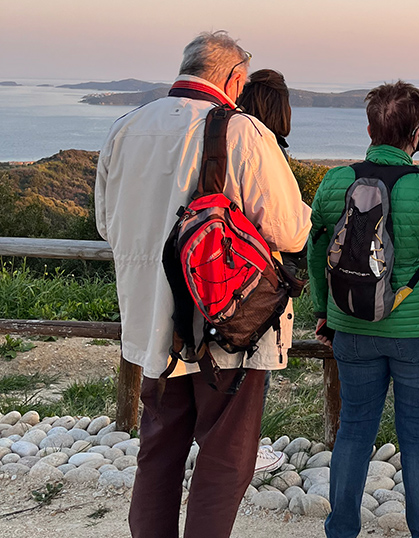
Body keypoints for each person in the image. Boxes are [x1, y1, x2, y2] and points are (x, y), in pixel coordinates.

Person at [95, 31, 311, 538]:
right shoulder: (242, 132)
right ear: (235, 77)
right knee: (224, 455)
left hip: (151, 320)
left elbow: (106, 224)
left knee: (159, 450)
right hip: (228, 322)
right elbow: (289, 229)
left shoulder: (124, 128)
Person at [307, 81, 419, 538]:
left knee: (354, 429)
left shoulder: (336, 180)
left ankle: (341, 530)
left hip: (351, 325)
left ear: (369, 127)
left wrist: (323, 309)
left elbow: (317, 254)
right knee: (417, 435)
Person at [237, 68, 295, 473]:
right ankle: (247, 450)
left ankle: (220, 444)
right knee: (255, 360)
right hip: (258, 275)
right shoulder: (269, 149)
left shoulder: (225, 138)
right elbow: (284, 226)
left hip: (218, 269)